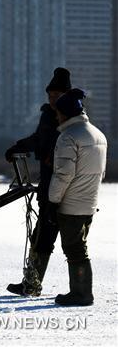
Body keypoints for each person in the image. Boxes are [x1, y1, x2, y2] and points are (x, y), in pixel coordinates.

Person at [4, 67, 71, 296]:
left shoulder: (73, 120)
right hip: (47, 186)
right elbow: (38, 139)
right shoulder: (47, 116)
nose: (52, 100)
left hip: (65, 190)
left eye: (57, 96)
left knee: (60, 241)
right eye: (50, 96)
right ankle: (30, 283)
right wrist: (19, 147)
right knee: (41, 235)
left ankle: (37, 285)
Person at [48, 88, 107, 307]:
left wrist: (52, 201)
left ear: (65, 113)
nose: (56, 115)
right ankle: (80, 292)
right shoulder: (98, 134)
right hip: (89, 202)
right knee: (79, 248)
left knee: (75, 250)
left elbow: (64, 174)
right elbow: (101, 173)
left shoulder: (69, 137)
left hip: (71, 204)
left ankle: (81, 294)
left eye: (58, 112)